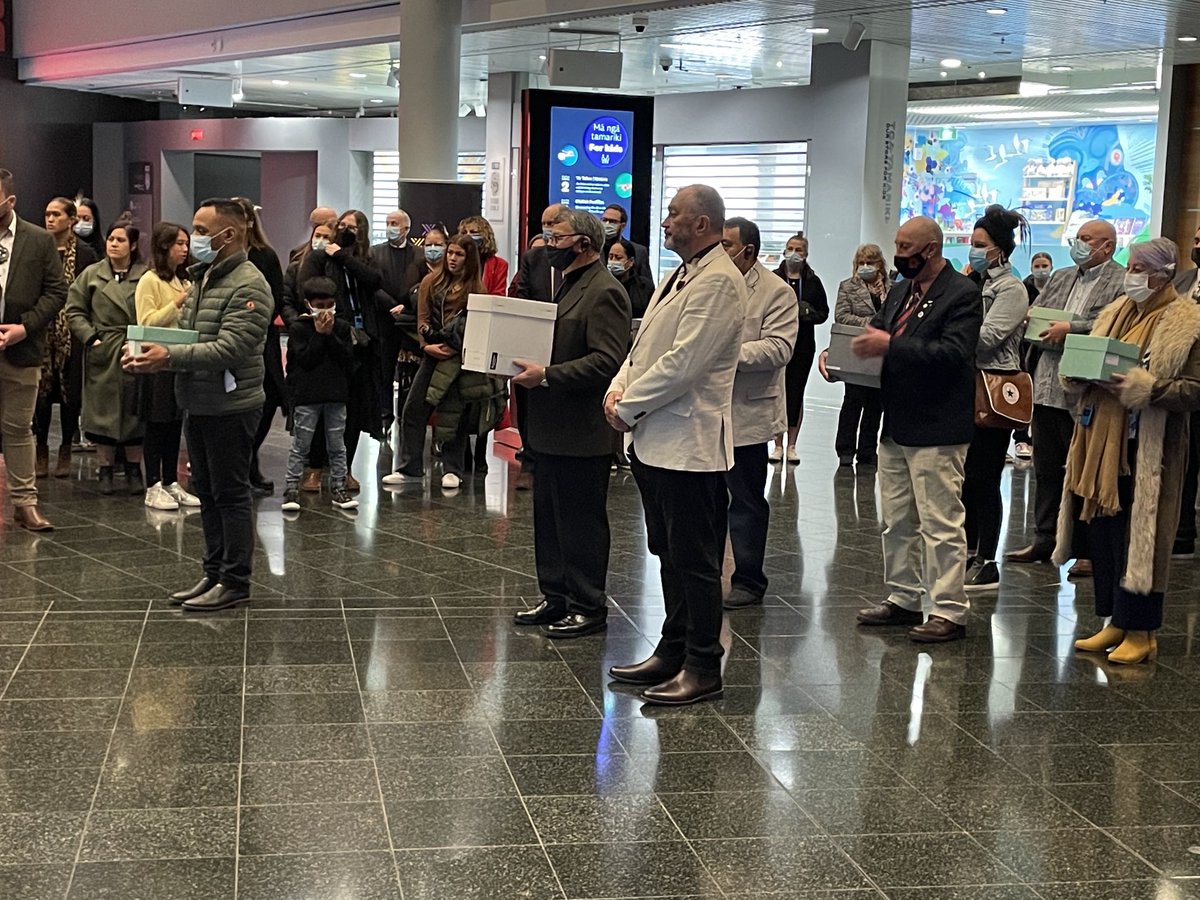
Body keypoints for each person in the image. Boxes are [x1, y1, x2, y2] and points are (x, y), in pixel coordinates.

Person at [604, 184, 745, 706]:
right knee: (668, 554)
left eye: (673, 214)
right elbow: (644, 347)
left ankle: (704, 665)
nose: (665, 222)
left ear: (702, 223)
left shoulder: (720, 283)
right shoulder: (680, 273)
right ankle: (674, 647)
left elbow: (683, 365)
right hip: (656, 442)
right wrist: (618, 386)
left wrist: (626, 406)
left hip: (690, 445)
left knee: (696, 560)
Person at [123, 197, 271, 612]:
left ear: (230, 234)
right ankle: (214, 571)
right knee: (206, 491)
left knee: (230, 494)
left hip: (231, 405)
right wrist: (147, 354)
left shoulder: (248, 284)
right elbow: (189, 338)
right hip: (199, 401)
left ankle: (235, 581)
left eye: (203, 231)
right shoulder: (204, 279)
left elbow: (230, 348)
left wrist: (167, 358)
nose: (196, 239)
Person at [1063, 237, 1200, 664]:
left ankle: (1142, 630)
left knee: (1142, 538)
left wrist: (1144, 387)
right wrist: (1082, 374)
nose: (1132, 273)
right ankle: (1115, 620)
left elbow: (1193, 390)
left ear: (1162, 275)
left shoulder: (1186, 321)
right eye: (1131, 265)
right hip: (1103, 441)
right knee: (1105, 533)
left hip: (1149, 444)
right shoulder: (1115, 312)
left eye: (1140, 267)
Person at [853, 216, 983, 643]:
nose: (899, 254)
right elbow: (881, 336)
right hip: (896, 422)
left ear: (931, 249)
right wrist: (844, 361)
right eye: (896, 245)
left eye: (906, 247)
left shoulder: (962, 294)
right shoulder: (899, 291)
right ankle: (904, 596)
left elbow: (953, 353)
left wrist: (889, 345)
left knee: (940, 521)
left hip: (938, 425)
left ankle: (949, 609)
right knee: (895, 520)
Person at [510, 207, 631, 637]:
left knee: (581, 524)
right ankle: (556, 596)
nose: (547, 245)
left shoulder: (604, 290)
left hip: (582, 431)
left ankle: (587, 603)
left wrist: (547, 376)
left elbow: (607, 361)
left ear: (583, 243)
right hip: (549, 428)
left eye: (555, 238)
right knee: (549, 520)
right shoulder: (566, 286)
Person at [1005, 219, 1124, 573]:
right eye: (1079, 238)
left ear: (1108, 246)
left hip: (1086, 389)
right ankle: (1045, 539)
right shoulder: (1060, 276)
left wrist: (1070, 328)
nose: (1080, 244)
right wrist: (1033, 321)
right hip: (1046, 385)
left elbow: (1110, 324)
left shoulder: (1120, 280)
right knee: (1045, 468)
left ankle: (1086, 548)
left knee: (1085, 470)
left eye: (1087, 239)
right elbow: (1040, 313)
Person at [720, 216, 797, 609]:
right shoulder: (709, 282)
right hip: (706, 412)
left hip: (749, 415)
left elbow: (779, 348)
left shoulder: (777, 292)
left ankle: (750, 579)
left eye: (728, 245)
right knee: (708, 500)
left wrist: (724, 355)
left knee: (747, 499)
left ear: (749, 251)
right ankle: (706, 574)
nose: (721, 252)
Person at [961, 206, 1031, 592]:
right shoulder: (971, 282)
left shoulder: (1011, 289)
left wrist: (951, 337)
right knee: (965, 479)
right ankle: (969, 551)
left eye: (980, 245)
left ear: (1000, 250)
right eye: (971, 244)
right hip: (965, 385)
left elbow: (988, 338)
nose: (973, 251)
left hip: (992, 387)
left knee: (984, 477)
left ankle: (987, 558)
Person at [385, 234, 488, 490]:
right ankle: (411, 466)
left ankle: (452, 469)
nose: (452, 258)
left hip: (460, 359)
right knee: (413, 408)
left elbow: (479, 327)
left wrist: (456, 349)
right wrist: (427, 345)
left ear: (469, 259)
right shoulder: (430, 281)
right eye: (450, 252)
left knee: (454, 413)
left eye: (459, 254)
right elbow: (422, 319)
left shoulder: (476, 288)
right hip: (432, 354)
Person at [0, 169, 68, 531]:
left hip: (21, 350)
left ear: (10, 201)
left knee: (18, 428)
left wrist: (23, 328)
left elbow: (57, 293)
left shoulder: (39, 240)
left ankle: (25, 503)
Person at [299, 209, 384, 490]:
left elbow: (374, 281)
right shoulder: (318, 258)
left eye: (353, 227)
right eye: (342, 226)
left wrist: (343, 256)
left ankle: (344, 469)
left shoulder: (363, 259)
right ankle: (313, 468)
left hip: (363, 342)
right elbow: (307, 291)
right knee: (323, 405)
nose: (347, 230)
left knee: (355, 411)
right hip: (328, 338)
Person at [65, 224, 147, 496]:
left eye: (120, 240)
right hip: (104, 348)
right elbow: (74, 309)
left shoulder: (145, 276)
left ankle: (135, 469)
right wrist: (91, 338)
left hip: (135, 347)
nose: (113, 244)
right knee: (103, 411)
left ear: (132, 245)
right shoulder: (92, 274)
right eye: (111, 239)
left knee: (135, 410)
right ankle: (105, 469)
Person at [134, 222, 200, 511]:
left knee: (175, 423)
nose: (185, 250)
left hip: (179, 359)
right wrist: (177, 303)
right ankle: (152, 484)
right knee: (157, 424)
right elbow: (146, 322)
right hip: (155, 361)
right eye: (179, 244)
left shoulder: (185, 280)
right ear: (164, 247)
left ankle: (171, 480)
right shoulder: (150, 280)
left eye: (186, 244)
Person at [280, 276, 357, 514]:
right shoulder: (299, 329)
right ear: (308, 304)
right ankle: (291, 487)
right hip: (308, 396)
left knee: (337, 445)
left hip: (336, 395)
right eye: (319, 306)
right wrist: (318, 335)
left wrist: (330, 335)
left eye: (329, 305)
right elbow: (304, 360)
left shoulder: (343, 328)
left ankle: (338, 487)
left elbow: (347, 359)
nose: (325, 311)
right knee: (301, 444)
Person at [36, 196, 96, 479]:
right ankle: (41, 448)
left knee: (70, 394)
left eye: (56, 214)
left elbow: (89, 296)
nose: (50, 219)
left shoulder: (85, 254)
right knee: (42, 393)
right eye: (47, 214)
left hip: (72, 331)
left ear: (71, 219)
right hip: (41, 329)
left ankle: (65, 449)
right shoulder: (37, 249)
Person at [232, 197, 286, 496]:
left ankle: (251, 457)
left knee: (269, 399)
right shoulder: (217, 256)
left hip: (262, 337)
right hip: (229, 337)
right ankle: (240, 464)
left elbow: (275, 297)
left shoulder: (265, 255)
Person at [282, 212, 337, 492]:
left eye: (328, 236)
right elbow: (286, 299)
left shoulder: (339, 266)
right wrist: (299, 324)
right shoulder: (296, 265)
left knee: (334, 420)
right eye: (318, 234)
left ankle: (336, 474)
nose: (322, 240)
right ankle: (304, 472)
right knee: (305, 419)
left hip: (332, 351)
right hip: (303, 340)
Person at [772, 232, 828, 463]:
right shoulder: (774, 278)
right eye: (790, 248)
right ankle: (776, 443)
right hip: (776, 343)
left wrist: (807, 313)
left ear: (806, 254)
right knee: (777, 392)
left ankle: (792, 444)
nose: (794, 254)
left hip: (803, 346)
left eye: (799, 250)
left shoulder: (813, 281)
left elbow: (823, 313)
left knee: (796, 393)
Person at [833, 244, 888, 468]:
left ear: (880, 264)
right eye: (862, 262)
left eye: (871, 262)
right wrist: (870, 324)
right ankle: (845, 449)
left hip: (881, 354)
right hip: (856, 351)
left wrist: (882, 296)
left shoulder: (893, 288)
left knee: (876, 404)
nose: (866, 267)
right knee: (852, 401)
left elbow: (894, 317)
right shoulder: (847, 286)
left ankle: (867, 450)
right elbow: (841, 315)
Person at [371, 208, 422, 433]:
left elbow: (423, 286)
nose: (391, 227)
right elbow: (372, 285)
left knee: (411, 373)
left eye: (395, 223)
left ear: (407, 229)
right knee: (383, 370)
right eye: (388, 222)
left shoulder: (419, 254)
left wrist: (407, 305)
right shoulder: (374, 253)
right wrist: (390, 305)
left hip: (410, 320)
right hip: (383, 319)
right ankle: (384, 416)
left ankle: (407, 417)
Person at [1172, 224, 1200, 559]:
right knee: (1183, 460)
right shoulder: (1182, 281)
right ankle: (1181, 533)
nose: (1196, 245)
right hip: (1181, 385)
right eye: (1195, 239)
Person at [1012, 252, 1054, 460]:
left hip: (1045, 346)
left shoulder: (1056, 289)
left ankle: (1039, 439)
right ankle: (1020, 438)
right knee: (1024, 392)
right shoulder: (1022, 288)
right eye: (1037, 265)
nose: (1041, 269)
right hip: (1024, 345)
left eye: (1044, 265)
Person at [600, 203, 654, 284]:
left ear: (622, 226)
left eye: (612, 221)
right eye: (604, 220)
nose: (607, 224)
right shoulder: (591, 249)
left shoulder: (639, 251)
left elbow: (646, 286)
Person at [458, 215, 508, 295]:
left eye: (473, 232)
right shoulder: (456, 260)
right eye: (464, 233)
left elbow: (498, 295)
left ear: (485, 236)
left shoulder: (500, 264)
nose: (468, 236)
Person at [606, 238, 654, 317]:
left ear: (631, 261)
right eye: (610, 257)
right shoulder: (601, 284)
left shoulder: (645, 287)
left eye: (618, 258)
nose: (613, 261)